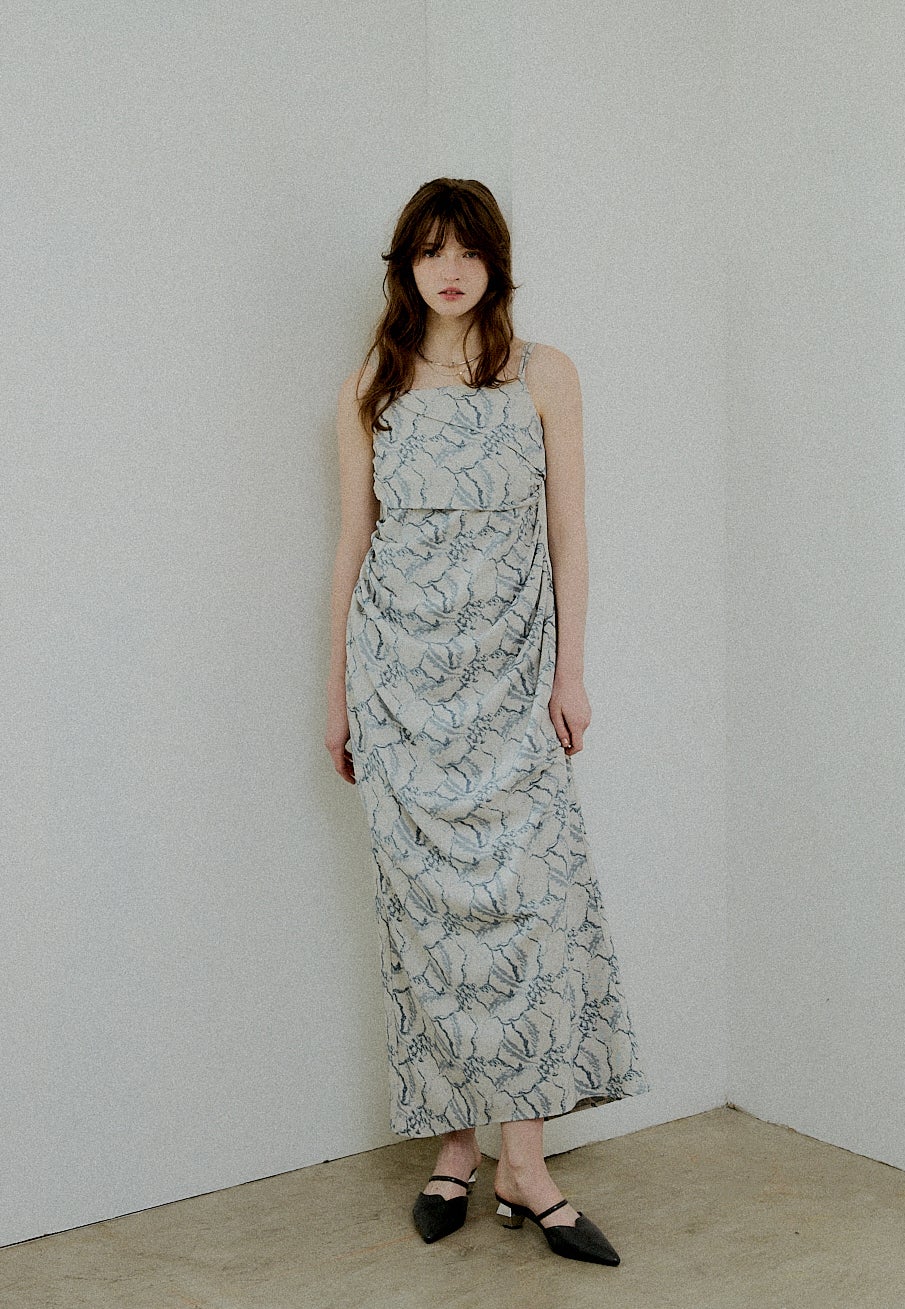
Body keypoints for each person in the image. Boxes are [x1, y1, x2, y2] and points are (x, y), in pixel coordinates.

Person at [325, 178, 649, 1266]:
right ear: (405, 267)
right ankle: (456, 1148)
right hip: (399, 684)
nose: (448, 269)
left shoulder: (543, 373)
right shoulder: (371, 383)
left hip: (512, 680)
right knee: (427, 921)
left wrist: (571, 672)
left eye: (465, 249)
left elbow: (569, 533)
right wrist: (336, 691)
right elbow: (352, 543)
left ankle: (526, 1163)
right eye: (428, 251)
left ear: (494, 261)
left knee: (529, 912)